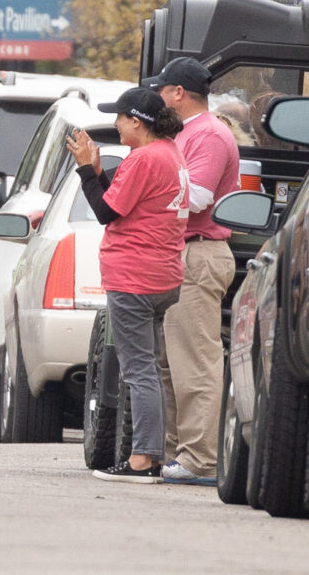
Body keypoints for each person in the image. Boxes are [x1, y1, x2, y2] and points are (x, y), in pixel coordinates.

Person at [68, 85, 194, 483]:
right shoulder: (170, 153)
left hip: (134, 277)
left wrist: (85, 169)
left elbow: (106, 211)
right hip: (161, 274)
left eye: (120, 118)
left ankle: (142, 459)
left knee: (139, 371)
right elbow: (126, 202)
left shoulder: (143, 158)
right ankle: (150, 454)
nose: (117, 125)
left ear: (137, 121)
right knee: (149, 369)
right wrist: (99, 172)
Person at [152, 57, 242, 486]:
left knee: (196, 361)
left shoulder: (208, 133)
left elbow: (199, 196)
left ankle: (201, 458)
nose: (157, 96)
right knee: (173, 361)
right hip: (181, 254)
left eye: (161, 89)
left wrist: (145, 194)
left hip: (199, 252)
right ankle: (177, 454)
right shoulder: (187, 133)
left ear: (178, 93)